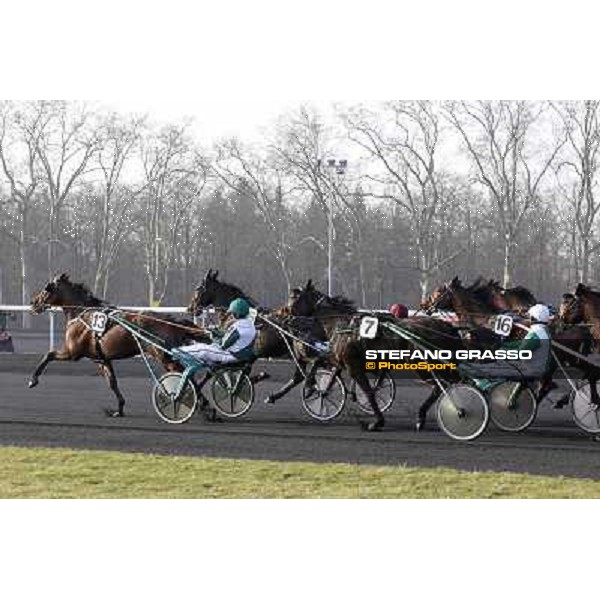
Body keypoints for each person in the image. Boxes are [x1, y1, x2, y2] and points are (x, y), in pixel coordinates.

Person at [459, 303, 552, 384]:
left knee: (473, 368)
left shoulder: (536, 333)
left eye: (528, 316)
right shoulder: (543, 330)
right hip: (535, 367)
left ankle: (488, 387)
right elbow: (521, 344)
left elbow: (519, 354)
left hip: (529, 370)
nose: (527, 318)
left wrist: (499, 352)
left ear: (532, 317)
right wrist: (503, 345)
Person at [175, 298, 257, 368]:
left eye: (232, 313)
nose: (231, 315)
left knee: (203, 348)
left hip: (231, 355)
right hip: (241, 355)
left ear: (237, 314)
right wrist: (215, 332)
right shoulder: (250, 325)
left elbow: (223, 345)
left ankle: (177, 352)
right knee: (205, 347)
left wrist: (213, 336)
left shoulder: (238, 327)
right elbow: (229, 337)